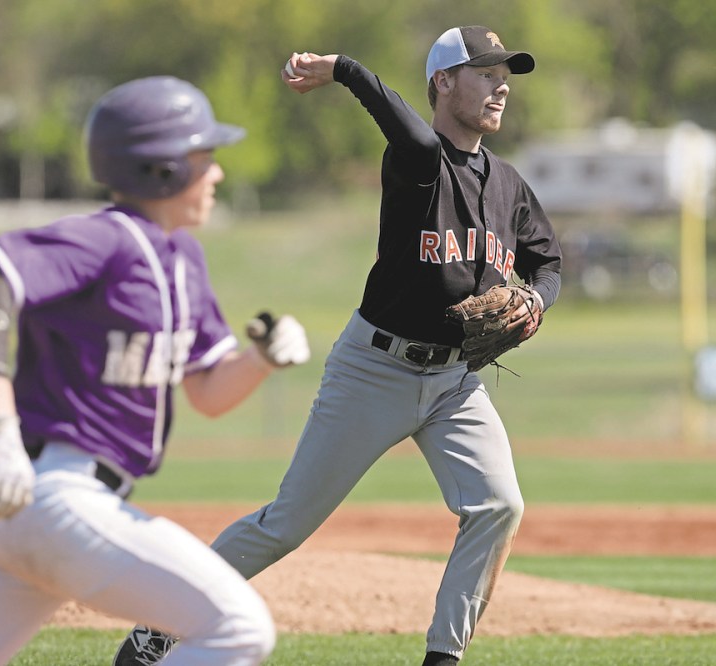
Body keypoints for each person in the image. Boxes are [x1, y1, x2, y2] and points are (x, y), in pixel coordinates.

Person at [115, 25, 562, 666]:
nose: (501, 87)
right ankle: (162, 625)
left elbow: (548, 262)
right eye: (486, 72)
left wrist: (537, 299)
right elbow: (409, 130)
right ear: (443, 82)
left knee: (499, 504)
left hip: (455, 382)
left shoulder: (509, 185)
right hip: (375, 369)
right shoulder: (418, 162)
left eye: (505, 75)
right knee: (286, 525)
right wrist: (346, 70)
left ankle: (443, 657)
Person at [0, 75, 311, 666]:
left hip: (37, 509)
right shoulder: (106, 238)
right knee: (239, 627)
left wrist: (259, 361)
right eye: (204, 157)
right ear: (162, 169)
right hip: (56, 495)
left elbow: (209, 394)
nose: (216, 172)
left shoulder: (184, 258)